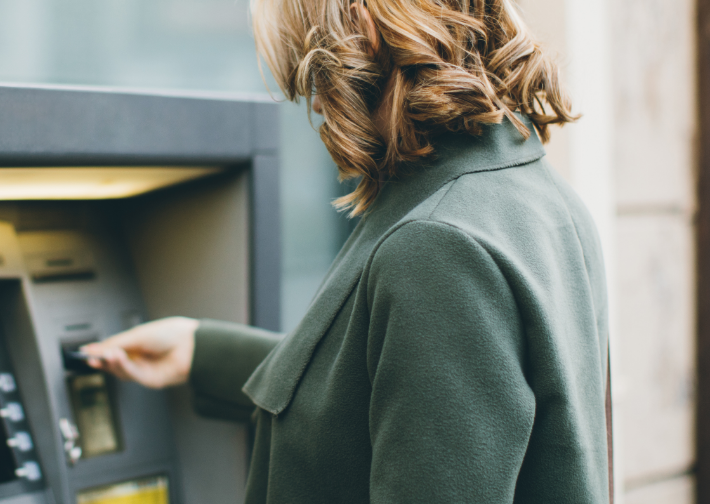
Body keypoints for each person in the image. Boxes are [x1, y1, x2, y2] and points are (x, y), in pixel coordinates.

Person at [80, 0, 610, 502]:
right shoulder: (537, 198)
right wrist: (202, 352)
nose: (314, 101)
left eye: (313, 69)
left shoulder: (436, 243)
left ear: (366, 29)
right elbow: (392, 394)